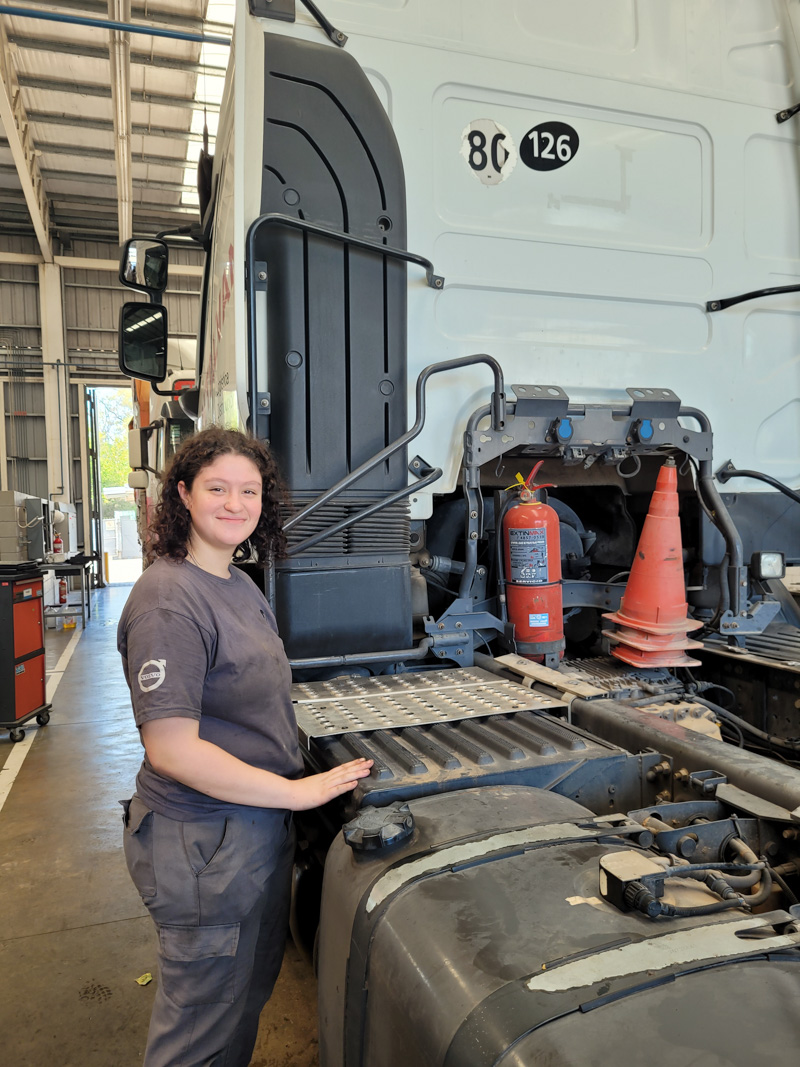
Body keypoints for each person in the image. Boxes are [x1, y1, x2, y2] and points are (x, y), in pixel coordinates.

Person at [118, 427, 372, 1067]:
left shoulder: (234, 581)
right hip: (205, 840)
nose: (235, 503)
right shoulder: (169, 600)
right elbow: (172, 748)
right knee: (201, 1026)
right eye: (217, 489)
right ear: (182, 494)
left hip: (249, 831)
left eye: (249, 491)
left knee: (241, 998)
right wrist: (297, 790)